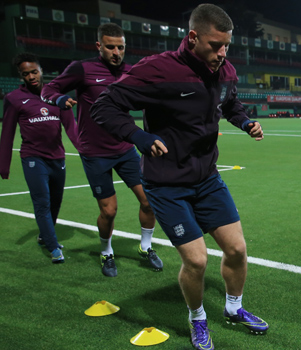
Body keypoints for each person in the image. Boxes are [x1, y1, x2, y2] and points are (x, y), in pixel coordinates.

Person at [91, 4, 268, 349]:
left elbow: (229, 104)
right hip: (167, 184)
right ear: (192, 37)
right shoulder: (157, 69)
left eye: (227, 45)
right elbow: (105, 107)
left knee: (236, 249)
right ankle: (197, 318)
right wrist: (139, 137)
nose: (222, 53)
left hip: (207, 179)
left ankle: (234, 308)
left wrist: (245, 122)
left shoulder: (226, 70)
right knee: (197, 260)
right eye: (215, 45)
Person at [41, 23, 162, 277]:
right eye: (110, 47)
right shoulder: (82, 68)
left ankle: (146, 247)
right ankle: (106, 251)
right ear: (99, 46)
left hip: (126, 147)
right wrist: (60, 99)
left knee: (149, 201)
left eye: (120, 47)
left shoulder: (131, 71)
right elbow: (48, 89)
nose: (116, 52)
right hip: (95, 152)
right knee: (109, 210)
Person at [0, 53, 80, 263]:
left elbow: (71, 128)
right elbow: (7, 134)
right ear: (21, 76)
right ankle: (54, 247)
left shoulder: (57, 96)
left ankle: (45, 236)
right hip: (33, 158)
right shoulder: (14, 99)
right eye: (26, 74)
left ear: (41, 70)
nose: (31, 77)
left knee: (55, 202)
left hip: (58, 158)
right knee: (42, 202)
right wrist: (4, 165)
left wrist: (85, 150)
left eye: (34, 72)